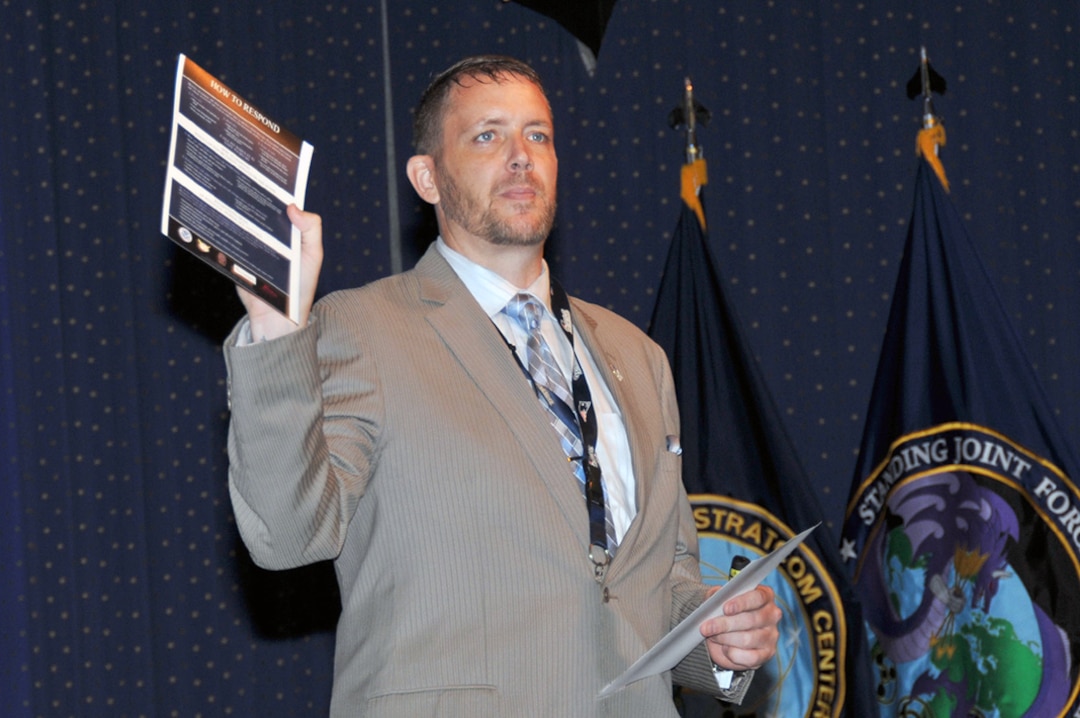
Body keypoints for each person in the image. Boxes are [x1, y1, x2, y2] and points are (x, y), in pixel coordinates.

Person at [224, 54, 780, 717]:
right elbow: (286, 535)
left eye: (537, 135)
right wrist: (277, 334)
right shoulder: (363, 327)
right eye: (487, 135)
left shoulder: (639, 355)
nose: (521, 156)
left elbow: (657, 582)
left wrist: (718, 642)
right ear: (427, 177)